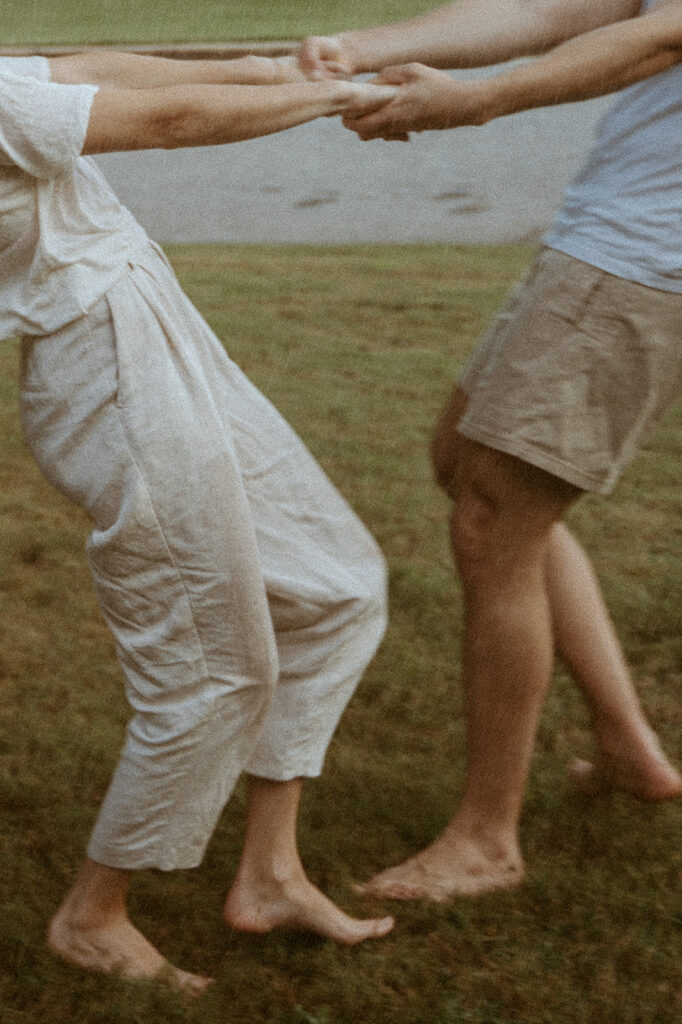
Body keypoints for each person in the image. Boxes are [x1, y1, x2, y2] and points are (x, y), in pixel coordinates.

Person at [1, 49, 399, 990]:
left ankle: (269, 871)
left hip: (149, 325)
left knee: (337, 587)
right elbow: (170, 120)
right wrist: (332, 96)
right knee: (214, 665)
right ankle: (91, 916)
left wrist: (260, 67)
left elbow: (84, 65)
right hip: (106, 378)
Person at [298, 0, 682, 901]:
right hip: (608, 239)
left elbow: (664, 35)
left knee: (494, 519)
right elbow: (572, 8)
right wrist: (364, 48)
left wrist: (477, 102)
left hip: (648, 258)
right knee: (464, 461)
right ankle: (630, 750)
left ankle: (485, 842)